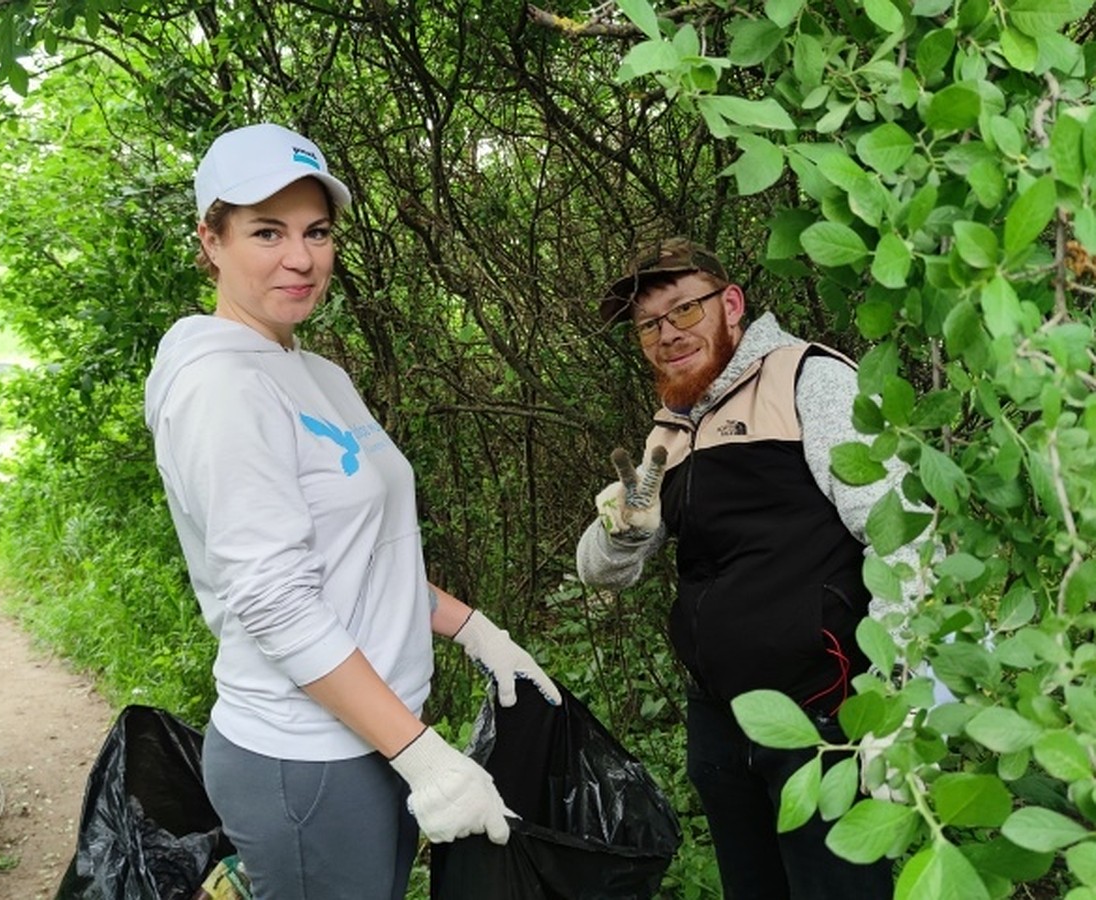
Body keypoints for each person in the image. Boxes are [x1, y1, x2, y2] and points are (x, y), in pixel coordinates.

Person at [144, 122, 560, 900]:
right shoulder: (219, 386)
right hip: (306, 757)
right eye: (267, 232)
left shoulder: (314, 372)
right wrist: (423, 756)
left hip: (372, 737)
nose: (300, 258)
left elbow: (361, 557)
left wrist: (474, 629)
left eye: (318, 231)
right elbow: (273, 598)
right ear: (211, 240)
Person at [575, 238, 921, 899]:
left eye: (683, 310)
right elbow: (602, 572)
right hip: (720, 726)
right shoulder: (672, 429)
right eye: (648, 325)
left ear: (731, 304)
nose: (666, 336)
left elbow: (899, 532)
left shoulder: (808, 381)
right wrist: (623, 531)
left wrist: (897, 701)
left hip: (822, 719)